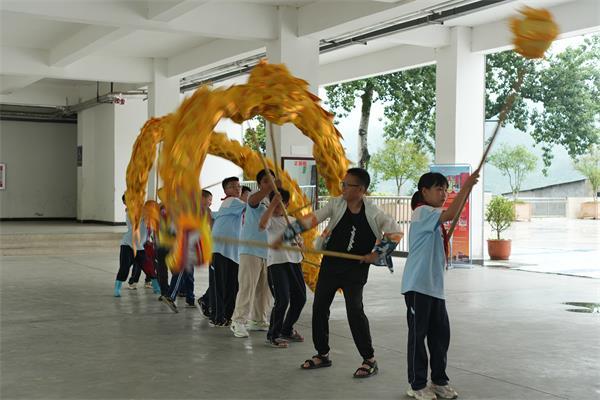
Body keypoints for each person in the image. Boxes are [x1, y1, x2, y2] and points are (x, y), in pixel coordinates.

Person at [285, 168, 403, 378]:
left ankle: (369, 359)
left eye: (347, 185)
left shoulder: (374, 212)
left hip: (355, 268)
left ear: (361, 189)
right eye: (343, 184)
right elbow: (314, 217)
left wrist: (376, 255)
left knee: (354, 311)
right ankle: (322, 354)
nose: (343, 188)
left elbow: (394, 232)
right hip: (331, 263)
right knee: (320, 307)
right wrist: (289, 232)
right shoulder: (337, 204)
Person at [400, 170, 479, 400]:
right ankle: (416, 385)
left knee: (440, 335)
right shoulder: (421, 212)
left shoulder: (434, 219)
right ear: (424, 192)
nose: (444, 193)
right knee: (418, 336)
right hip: (417, 286)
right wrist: (466, 186)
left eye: (446, 189)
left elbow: (449, 216)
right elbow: (452, 212)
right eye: (439, 189)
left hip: (435, 288)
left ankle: (438, 381)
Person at [230, 170, 276, 338]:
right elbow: (253, 201)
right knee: (247, 287)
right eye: (265, 181)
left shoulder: (271, 201)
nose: (270, 184)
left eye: (272, 181)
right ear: (259, 184)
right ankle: (238, 321)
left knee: (264, 290)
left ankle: (258, 320)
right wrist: (268, 189)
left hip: (267, 252)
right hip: (250, 250)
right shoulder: (255, 198)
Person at [259, 189, 306, 348]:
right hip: (277, 264)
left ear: (287, 204)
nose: (278, 208)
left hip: (295, 263)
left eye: (281, 204)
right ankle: (273, 335)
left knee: (300, 298)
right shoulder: (269, 219)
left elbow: (300, 242)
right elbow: (262, 225)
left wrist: (301, 244)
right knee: (283, 300)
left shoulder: (292, 220)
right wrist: (271, 206)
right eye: (275, 205)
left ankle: (287, 329)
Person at [209, 177, 245, 326]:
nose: (237, 189)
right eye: (232, 186)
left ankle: (227, 316)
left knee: (232, 286)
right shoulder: (232, 201)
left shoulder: (232, 205)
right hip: (220, 250)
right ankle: (219, 317)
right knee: (221, 286)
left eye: (238, 186)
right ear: (226, 191)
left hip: (232, 252)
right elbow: (252, 206)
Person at [114, 194, 150, 297]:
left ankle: (157, 287)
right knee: (125, 268)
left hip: (140, 245)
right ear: (125, 203)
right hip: (128, 244)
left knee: (148, 267)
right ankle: (119, 287)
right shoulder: (132, 212)